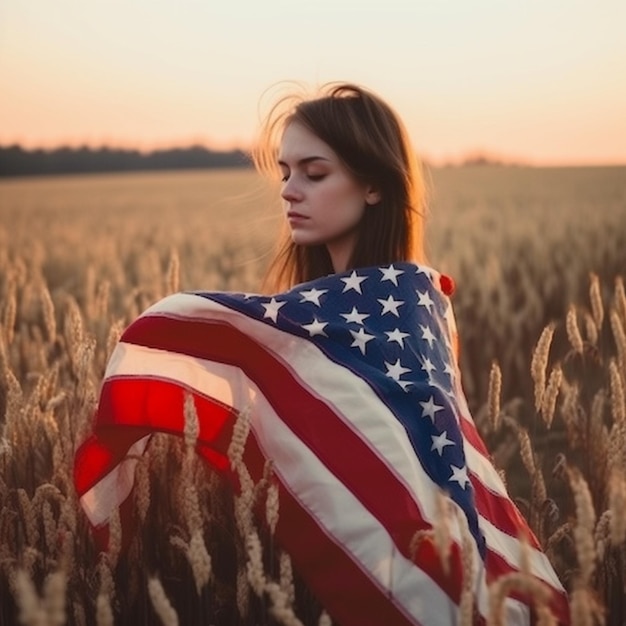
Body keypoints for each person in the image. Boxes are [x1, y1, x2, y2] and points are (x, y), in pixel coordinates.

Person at [74, 83, 569, 625]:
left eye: (314, 173)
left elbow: (423, 471)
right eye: (285, 172)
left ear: (374, 184)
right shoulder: (308, 320)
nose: (290, 190)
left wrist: (175, 321)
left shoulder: (406, 309)